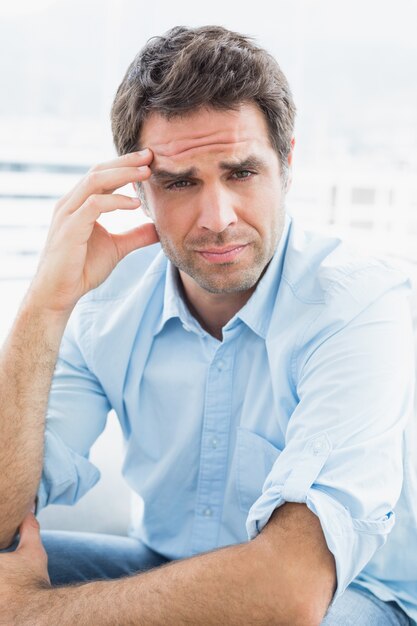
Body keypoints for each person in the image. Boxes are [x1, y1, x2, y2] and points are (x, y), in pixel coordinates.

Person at [0, 25, 416, 625]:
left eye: (241, 174)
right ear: (140, 190)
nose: (217, 219)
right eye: (180, 183)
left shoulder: (356, 303)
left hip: (350, 596)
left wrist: (30, 615)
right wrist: (43, 304)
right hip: (166, 566)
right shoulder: (107, 299)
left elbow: (290, 591)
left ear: (286, 164)